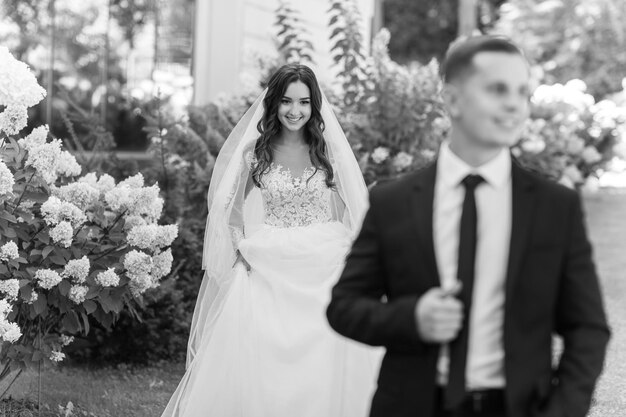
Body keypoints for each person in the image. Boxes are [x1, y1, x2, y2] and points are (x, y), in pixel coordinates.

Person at [326, 35, 610, 417]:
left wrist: (562, 410)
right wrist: (411, 318)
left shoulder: (554, 207)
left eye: (522, 92)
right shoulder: (392, 201)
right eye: (497, 89)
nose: (514, 104)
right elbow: (344, 307)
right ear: (452, 100)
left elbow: (588, 328)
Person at [161, 64, 380, 417]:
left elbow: (353, 208)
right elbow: (228, 209)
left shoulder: (327, 152)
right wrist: (240, 249)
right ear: (274, 103)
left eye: (304, 102)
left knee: (327, 344)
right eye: (287, 101)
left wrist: (354, 254)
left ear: (314, 106)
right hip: (269, 258)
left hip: (324, 257)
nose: (295, 111)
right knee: (260, 348)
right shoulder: (256, 152)